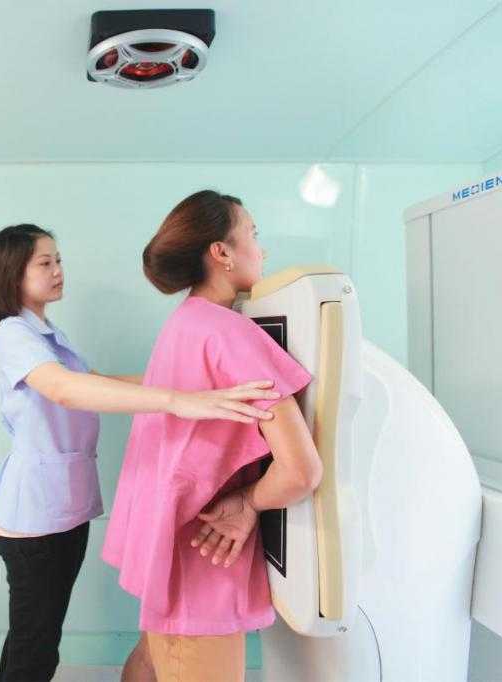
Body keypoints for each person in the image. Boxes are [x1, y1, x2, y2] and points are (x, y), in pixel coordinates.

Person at [0, 223, 282, 681]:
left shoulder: (46, 333)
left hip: (63, 509)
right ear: (12, 272)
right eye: (45, 263)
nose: (58, 271)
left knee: (41, 636)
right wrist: (176, 400)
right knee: (34, 643)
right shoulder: (13, 335)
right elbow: (66, 390)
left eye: (58, 260)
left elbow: (96, 381)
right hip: (34, 515)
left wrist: (191, 379)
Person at [103, 191, 323, 682]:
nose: (262, 250)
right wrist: (248, 502)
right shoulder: (230, 333)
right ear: (221, 252)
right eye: (254, 235)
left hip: (171, 551)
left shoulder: (184, 323)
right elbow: (302, 470)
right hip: (204, 560)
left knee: (152, 659)